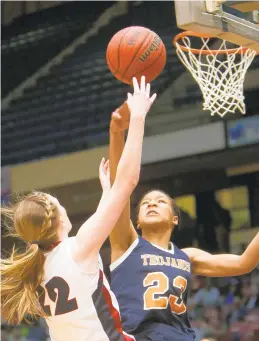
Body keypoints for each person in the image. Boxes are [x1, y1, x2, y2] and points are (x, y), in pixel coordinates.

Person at [1, 77, 156, 341]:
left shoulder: (36, 267)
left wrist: (107, 195)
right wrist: (139, 117)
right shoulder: (77, 248)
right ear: (57, 220)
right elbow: (128, 181)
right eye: (60, 204)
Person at [101, 106, 259, 341]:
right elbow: (120, 187)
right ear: (137, 221)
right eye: (145, 203)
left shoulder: (188, 256)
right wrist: (116, 133)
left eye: (160, 201)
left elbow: (244, 263)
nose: (151, 204)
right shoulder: (127, 245)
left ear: (175, 219)